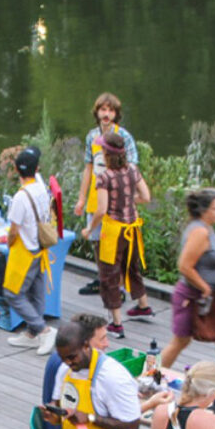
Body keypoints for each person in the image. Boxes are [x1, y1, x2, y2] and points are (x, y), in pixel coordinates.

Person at [92, 130, 154, 337]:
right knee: (131, 266)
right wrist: (128, 201)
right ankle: (143, 304)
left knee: (109, 274)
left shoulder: (104, 177)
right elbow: (146, 196)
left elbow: (101, 210)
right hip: (133, 228)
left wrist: (89, 228)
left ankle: (116, 323)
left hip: (113, 231)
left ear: (106, 153)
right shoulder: (132, 171)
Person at [76, 93, 138, 297]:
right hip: (96, 195)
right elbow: (88, 168)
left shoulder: (124, 136)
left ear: (116, 114)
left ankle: (118, 286)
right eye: (103, 110)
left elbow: (132, 168)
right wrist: (81, 198)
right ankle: (103, 278)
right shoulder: (91, 136)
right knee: (96, 240)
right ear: (97, 112)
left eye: (111, 110)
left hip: (115, 199)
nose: (106, 114)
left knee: (115, 244)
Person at [162, 188, 215, 368]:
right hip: (193, 297)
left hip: (211, 297)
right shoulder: (199, 232)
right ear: (203, 210)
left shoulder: (207, 229)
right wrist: (205, 287)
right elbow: (184, 265)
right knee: (180, 342)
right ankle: (154, 375)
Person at [2, 146, 57, 354]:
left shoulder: (20, 197)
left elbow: (14, 230)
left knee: (12, 294)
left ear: (16, 170)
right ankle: (33, 333)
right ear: (37, 169)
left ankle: (43, 330)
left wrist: (8, 242)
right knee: (36, 291)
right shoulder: (41, 188)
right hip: (39, 248)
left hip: (24, 251)